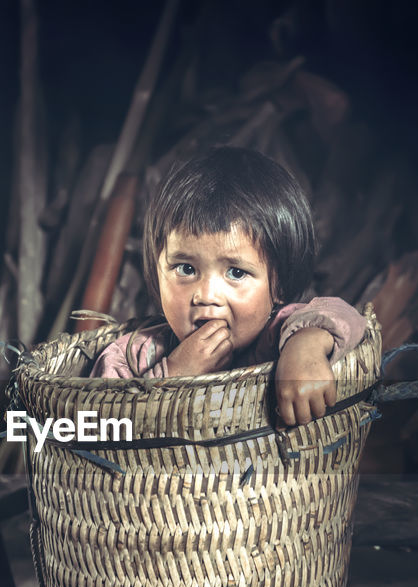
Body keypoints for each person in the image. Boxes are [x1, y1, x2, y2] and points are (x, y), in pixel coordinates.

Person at [90, 146, 367, 426]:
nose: (207, 296)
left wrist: (305, 348)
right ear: (157, 269)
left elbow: (346, 316)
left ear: (279, 284)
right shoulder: (130, 357)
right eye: (186, 269)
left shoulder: (281, 332)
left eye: (236, 272)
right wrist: (172, 375)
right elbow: (98, 425)